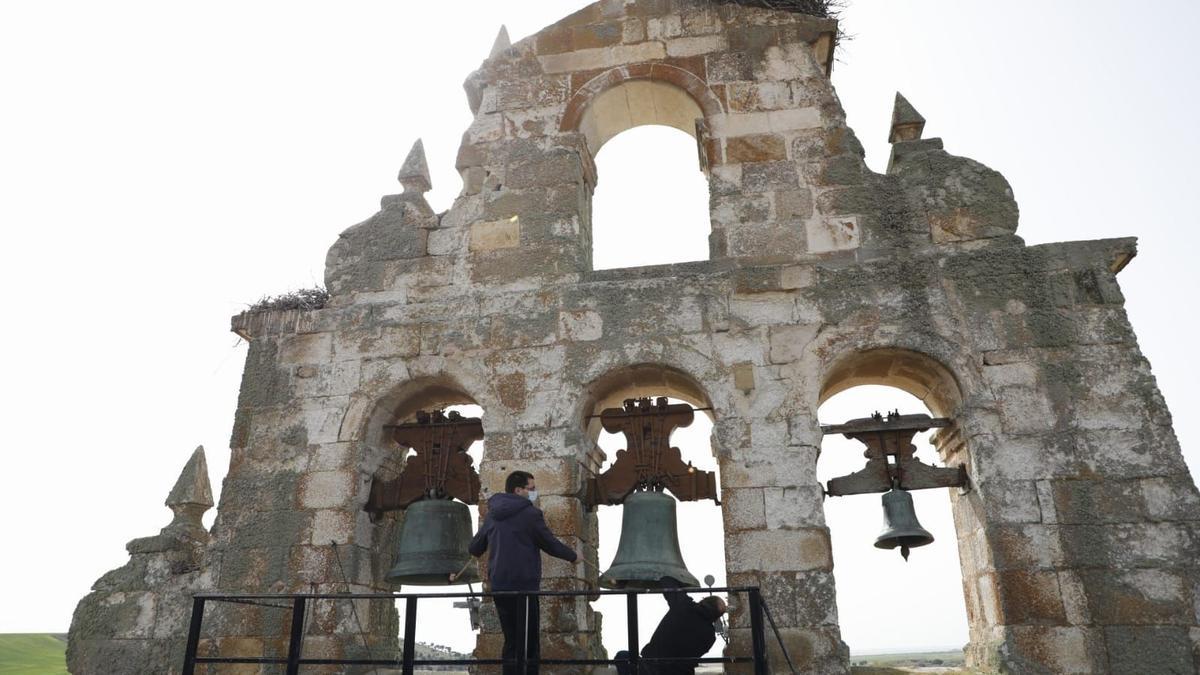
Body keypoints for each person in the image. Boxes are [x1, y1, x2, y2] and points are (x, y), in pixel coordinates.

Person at [466, 470, 577, 675]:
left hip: (500, 587)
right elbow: (549, 543)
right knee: (529, 643)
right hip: (524, 586)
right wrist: (572, 556)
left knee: (511, 640)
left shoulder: (493, 514)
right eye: (531, 489)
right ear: (519, 490)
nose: (534, 493)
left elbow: (475, 547)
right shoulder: (530, 514)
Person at [615, 576, 728, 675]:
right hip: (680, 673)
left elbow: (666, 580)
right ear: (716, 617)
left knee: (622, 656)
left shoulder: (684, 605)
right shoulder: (710, 637)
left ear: (703, 600)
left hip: (651, 668)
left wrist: (680, 584)